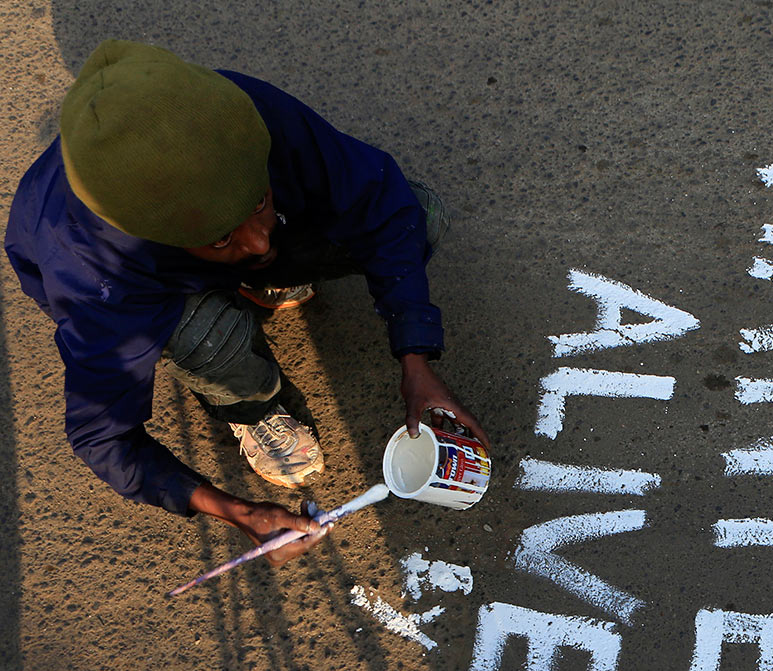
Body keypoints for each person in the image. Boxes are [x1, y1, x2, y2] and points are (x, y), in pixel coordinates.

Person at [5, 39, 489, 566]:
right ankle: (250, 406)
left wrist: (415, 357)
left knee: (420, 215)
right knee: (211, 338)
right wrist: (237, 511)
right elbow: (103, 435)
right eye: (220, 237)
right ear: (158, 235)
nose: (259, 241)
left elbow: (384, 207)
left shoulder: (237, 115)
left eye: (258, 199)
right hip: (155, 290)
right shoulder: (94, 272)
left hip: (187, 252)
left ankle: (250, 274)